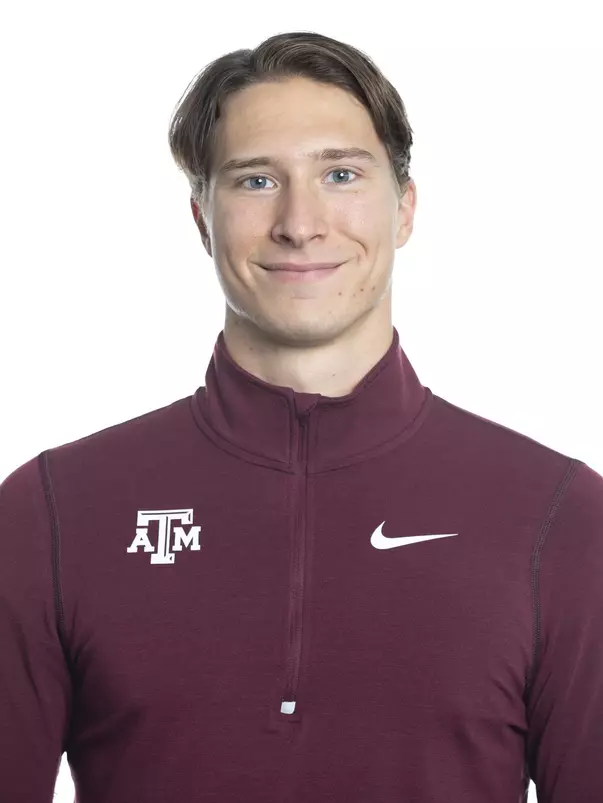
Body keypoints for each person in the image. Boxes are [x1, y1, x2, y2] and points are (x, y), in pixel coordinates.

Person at [0, 30, 601, 803]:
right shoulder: (52, 511)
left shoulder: (556, 517)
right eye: (255, 181)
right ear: (200, 218)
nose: (300, 222)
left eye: (340, 173)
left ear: (405, 207)